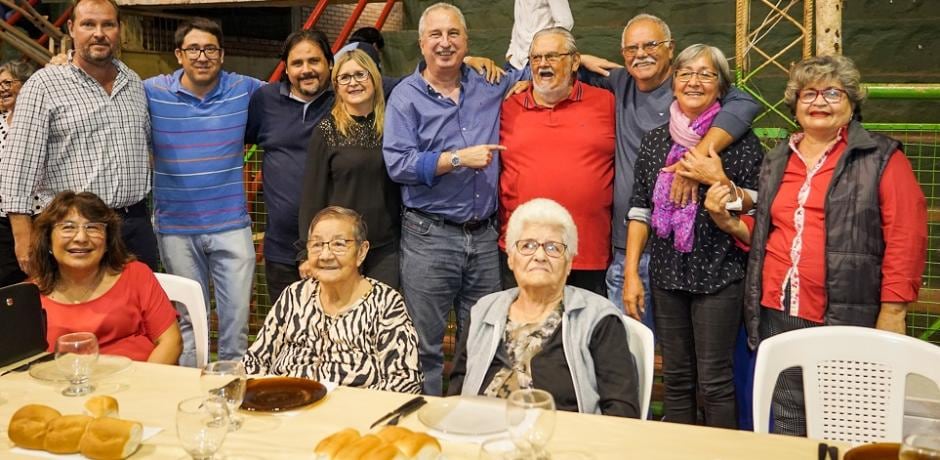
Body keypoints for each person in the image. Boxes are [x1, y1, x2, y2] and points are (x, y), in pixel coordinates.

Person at [704, 54, 927, 436]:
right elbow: (771, 232)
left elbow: (906, 238)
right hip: (778, 309)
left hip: (845, 314)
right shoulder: (777, 159)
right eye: (808, 93)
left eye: (832, 93)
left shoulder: (881, 157)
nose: (818, 102)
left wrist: (892, 312)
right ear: (795, 103)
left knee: (849, 419)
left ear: (852, 103)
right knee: (790, 415)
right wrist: (731, 223)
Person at [578, 14, 761, 333]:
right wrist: (577, 58)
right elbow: (549, 66)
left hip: (693, 257)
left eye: (651, 44)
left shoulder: (695, 89)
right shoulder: (619, 81)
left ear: (671, 49)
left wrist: (696, 158)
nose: (641, 53)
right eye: (632, 48)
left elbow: (744, 102)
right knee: (631, 355)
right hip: (629, 249)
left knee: (692, 357)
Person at [383, 2, 525, 395]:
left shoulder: (489, 81)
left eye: (453, 35)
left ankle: (468, 423)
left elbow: (542, 69)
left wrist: (579, 56)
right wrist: (458, 160)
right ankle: (425, 426)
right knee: (424, 345)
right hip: (430, 236)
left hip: (483, 237)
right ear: (420, 43)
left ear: (467, 40)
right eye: (435, 35)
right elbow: (399, 164)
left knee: (480, 340)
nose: (445, 43)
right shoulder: (405, 98)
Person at [624, 44, 764, 428]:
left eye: (706, 74)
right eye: (686, 73)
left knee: (715, 380)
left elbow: (757, 207)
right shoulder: (655, 141)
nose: (694, 81)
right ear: (673, 83)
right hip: (668, 274)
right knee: (678, 377)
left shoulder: (740, 140)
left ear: (721, 87)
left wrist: (718, 181)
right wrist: (634, 272)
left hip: (720, 274)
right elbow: (640, 209)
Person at [0, 0, 158, 274]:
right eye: (88, 24)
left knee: (138, 311)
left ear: (119, 29)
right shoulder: (44, 86)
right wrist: (22, 235)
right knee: (78, 312)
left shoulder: (133, 83)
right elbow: (17, 168)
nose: (99, 33)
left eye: (108, 24)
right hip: (75, 229)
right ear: (72, 28)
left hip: (134, 225)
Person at [449, 198, 639, 418]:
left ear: (569, 263)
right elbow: (457, 392)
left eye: (553, 248)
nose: (539, 256)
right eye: (527, 245)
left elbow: (622, 411)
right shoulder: (484, 311)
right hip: (483, 440)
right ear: (511, 258)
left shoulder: (599, 319)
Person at [144, 18, 262, 366]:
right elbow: (105, 83)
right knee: (189, 328)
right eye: (193, 49)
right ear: (179, 54)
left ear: (222, 54)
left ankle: (233, 402)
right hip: (176, 231)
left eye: (210, 49)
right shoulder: (152, 91)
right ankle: (191, 404)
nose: (202, 56)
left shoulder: (244, 88)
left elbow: (295, 91)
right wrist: (63, 61)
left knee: (236, 328)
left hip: (231, 226)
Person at [243, 206, 422, 394]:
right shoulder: (294, 296)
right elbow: (255, 360)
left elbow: (405, 380)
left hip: (351, 415)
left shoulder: (385, 303)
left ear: (361, 252)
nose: (326, 255)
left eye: (339, 244)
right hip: (288, 405)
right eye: (317, 245)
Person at [499, 27, 614, 295]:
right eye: (536, 58)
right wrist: (470, 60)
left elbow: (648, 79)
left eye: (552, 56)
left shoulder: (607, 102)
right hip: (523, 252)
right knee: (526, 335)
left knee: (584, 336)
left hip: (587, 253)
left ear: (575, 61)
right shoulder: (507, 106)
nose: (542, 64)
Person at [29, 191, 182, 364]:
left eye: (92, 227)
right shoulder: (29, 296)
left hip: (137, 382)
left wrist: (142, 387)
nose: (81, 238)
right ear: (48, 240)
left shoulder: (136, 275)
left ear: (108, 240)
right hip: (63, 386)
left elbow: (171, 342)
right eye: (68, 227)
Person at [298, 50, 400, 288]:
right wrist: (307, 251)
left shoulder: (393, 126)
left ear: (374, 78)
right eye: (344, 77)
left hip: (385, 246)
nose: (353, 82)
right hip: (339, 247)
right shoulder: (326, 131)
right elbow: (312, 195)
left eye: (360, 75)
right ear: (336, 86)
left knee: (380, 317)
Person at [246, 29, 335, 303]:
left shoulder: (346, 99)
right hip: (282, 251)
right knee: (287, 336)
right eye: (297, 63)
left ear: (330, 63)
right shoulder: (265, 101)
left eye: (314, 61)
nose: (306, 70)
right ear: (285, 69)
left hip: (336, 251)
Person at [0, 60, 36, 287]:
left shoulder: (40, 123)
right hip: (2, 221)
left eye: (7, 82)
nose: (2, 88)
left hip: (36, 217)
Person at [506, 0, 573, 70]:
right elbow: (520, 21)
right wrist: (510, 53)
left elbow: (565, 22)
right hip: (515, 63)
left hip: (539, 62)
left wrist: (544, 52)